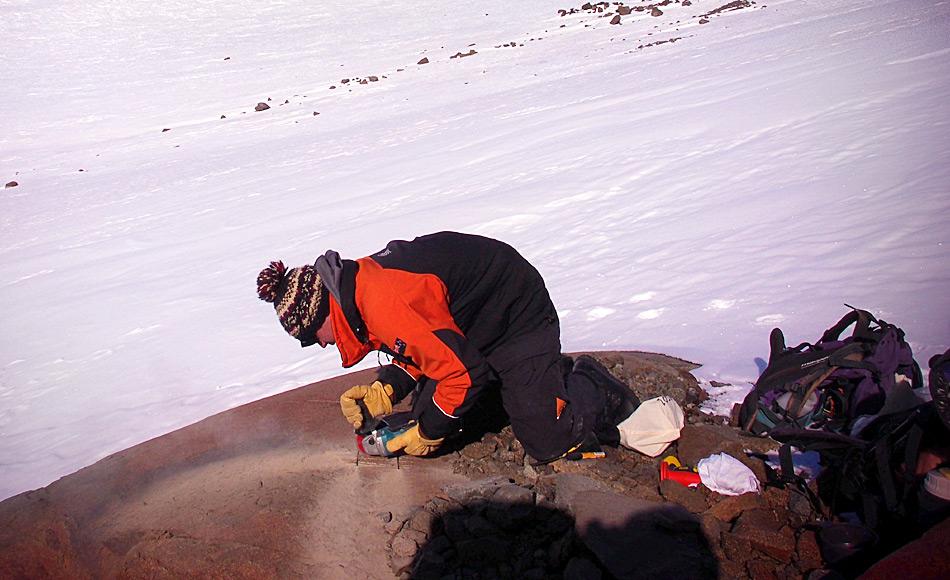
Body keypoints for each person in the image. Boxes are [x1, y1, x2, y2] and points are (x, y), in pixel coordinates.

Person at [256, 231, 639, 462]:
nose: (319, 346)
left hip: (516, 313)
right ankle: (513, 391)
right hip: (472, 326)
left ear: (323, 312)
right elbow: (424, 339)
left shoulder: (385, 302)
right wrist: (388, 388)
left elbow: (460, 373)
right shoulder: (358, 294)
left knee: (548, 440)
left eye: (309, 338)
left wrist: (427, 432)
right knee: (433, 416)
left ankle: (592, 385)